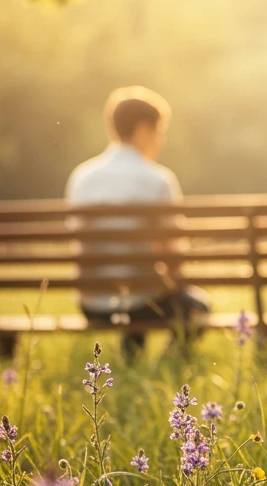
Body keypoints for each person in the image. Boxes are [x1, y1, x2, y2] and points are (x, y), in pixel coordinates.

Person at [64, 86, 209, 358]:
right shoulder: (157, 179)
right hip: (144, 301)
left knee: (142, 289)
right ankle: (167, 365)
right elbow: (173, 253)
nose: (161, 140)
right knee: (196, 304)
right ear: (143, 130)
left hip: (93, 303)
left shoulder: (82, 177)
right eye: (159, 132)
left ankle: (132, 361)